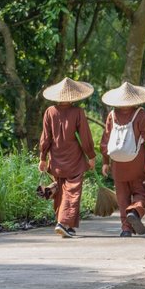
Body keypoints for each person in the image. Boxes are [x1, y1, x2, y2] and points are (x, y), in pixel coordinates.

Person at [38, 77, 97, 238]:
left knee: (61, 191)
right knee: (72, 192)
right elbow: (85, 138)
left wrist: (42, 157)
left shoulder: (50, 112)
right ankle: (63, 222)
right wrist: (91, 156)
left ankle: (68, 226)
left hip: (56, 160)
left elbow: (46, 138)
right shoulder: (78, 112)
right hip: (74, 161)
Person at [100, 82, 145, 237]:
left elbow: (105, 140)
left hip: (117, 164)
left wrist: (105, 162)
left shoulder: (112, 115)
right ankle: (135, 211)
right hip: (137, 163)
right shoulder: (140, 114)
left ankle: (125, 229)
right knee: (141, 192)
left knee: (122, 196)